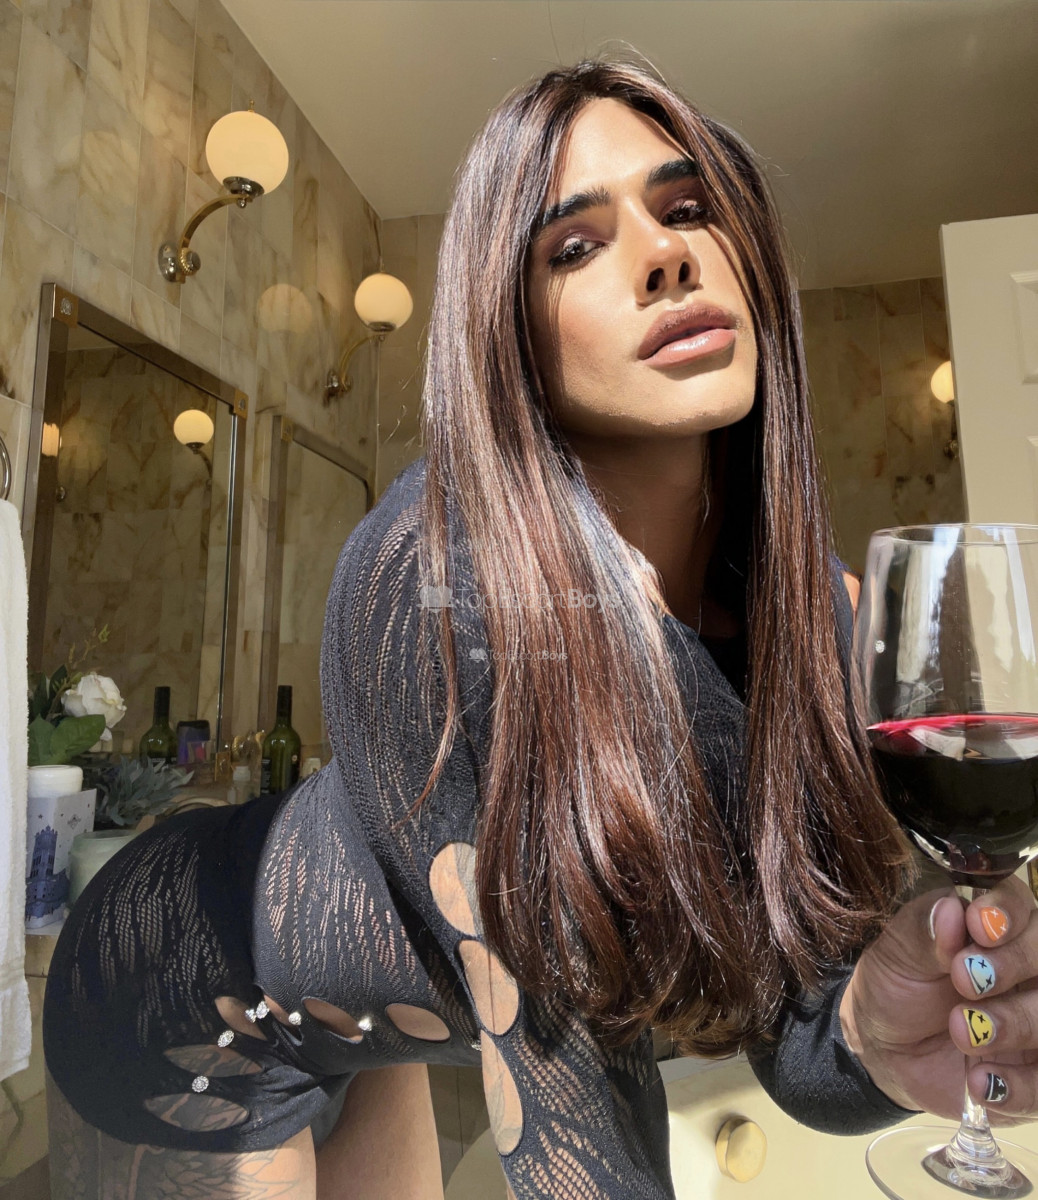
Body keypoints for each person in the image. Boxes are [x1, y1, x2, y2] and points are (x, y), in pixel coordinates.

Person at [42, 56, 1038, 1200]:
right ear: (507, 334)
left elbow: (793, 1035)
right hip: (171, 990)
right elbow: (577, 1129)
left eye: (688, 207)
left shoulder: (811, 613)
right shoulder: (438, 576)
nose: (665, 254)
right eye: (574, 246)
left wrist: (873, 1029)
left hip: (360, 1033)